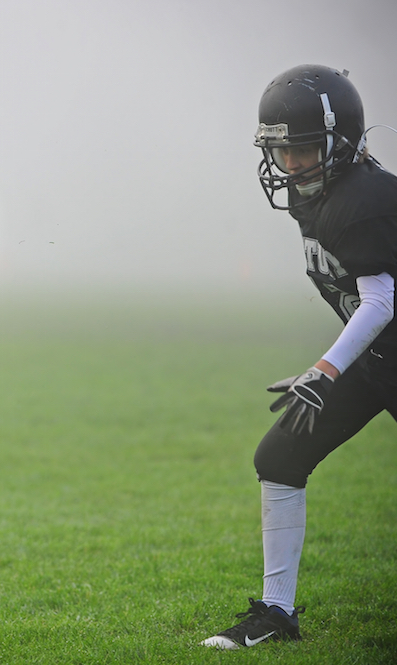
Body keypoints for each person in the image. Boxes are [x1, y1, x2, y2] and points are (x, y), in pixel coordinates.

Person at [202, 64, 397, 649]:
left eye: (306, 150)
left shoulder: (365, 199)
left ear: (343, 142)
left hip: (378, 351)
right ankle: (276, 615)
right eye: (282, 151)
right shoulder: (321, 195)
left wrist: (326, 368)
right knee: (281, 456)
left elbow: (383, 297)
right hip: (379, 360)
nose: (291, 165)